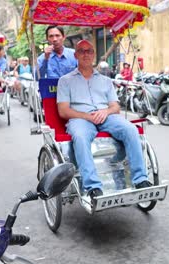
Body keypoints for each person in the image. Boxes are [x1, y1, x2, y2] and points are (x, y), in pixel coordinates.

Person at [57, 40, 152, 201]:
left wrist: (105, 111)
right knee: (80, 137)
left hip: (106, 116)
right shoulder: (65, 80)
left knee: (130, 129)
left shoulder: (105, 80)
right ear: (76, 55)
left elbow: (115, 106)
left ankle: (140, 179)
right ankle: (92, 186)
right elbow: (63, 111)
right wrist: (87, 116)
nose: (86, 54)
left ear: (94, 54)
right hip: (80, 118)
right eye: (82, 51)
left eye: (89, 51)